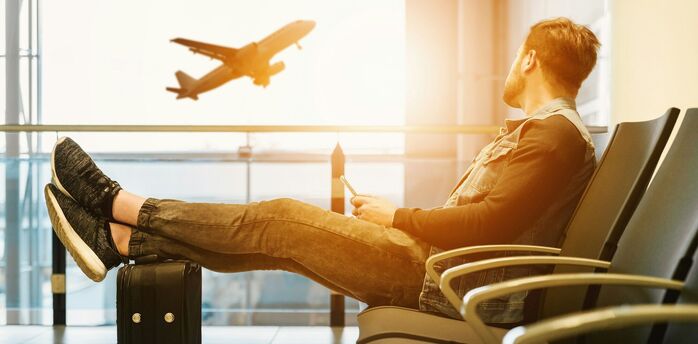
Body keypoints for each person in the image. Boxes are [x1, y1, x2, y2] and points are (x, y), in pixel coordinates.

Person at [44, 17, 599, 324]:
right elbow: (489, 221)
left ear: (529, 59)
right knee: (281, 244)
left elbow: (489, 226)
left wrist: (399, 216)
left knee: (279, 219)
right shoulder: (547, 135)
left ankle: (118, 204)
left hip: (443, 282)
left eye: (513, 58)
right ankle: (121, 241)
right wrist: (399, 219)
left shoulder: (553, 136)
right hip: (441, 271)